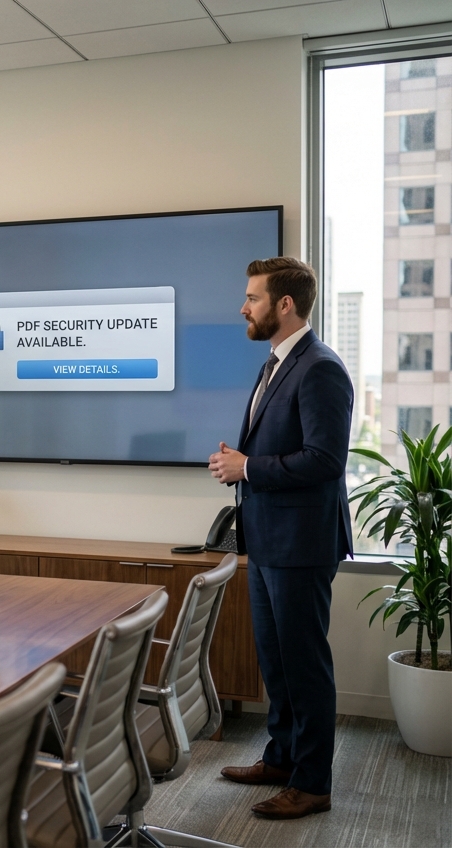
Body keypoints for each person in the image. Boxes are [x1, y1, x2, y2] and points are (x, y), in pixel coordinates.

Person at [208, 257, 353, 821]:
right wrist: (238, 463)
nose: (244, 307)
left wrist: (249, 468)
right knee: (277, 661)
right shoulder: (275, 364)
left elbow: (324, 460)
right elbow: (274, 446)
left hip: (301, 542)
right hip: (268, 539)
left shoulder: (320, 368)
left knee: (304, 664)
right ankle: (282, 758)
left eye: (253, 298)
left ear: (284, 304)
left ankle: (312, 783)